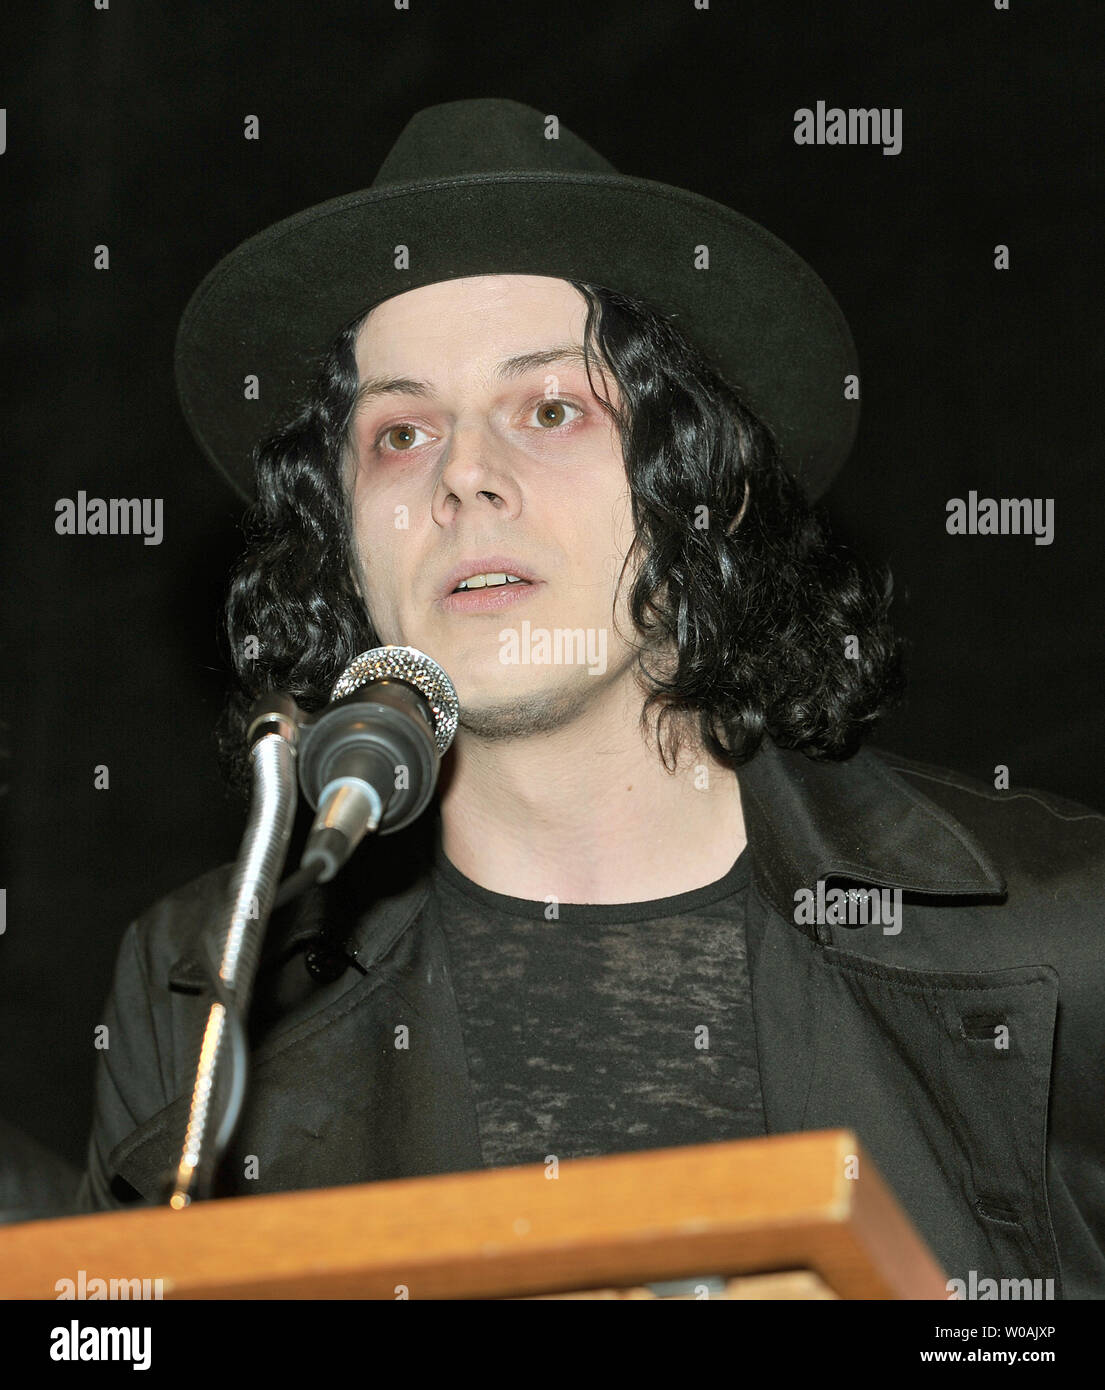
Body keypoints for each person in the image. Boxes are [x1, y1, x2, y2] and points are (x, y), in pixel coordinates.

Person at [76, 99, 1105, 1299]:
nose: (463, 474)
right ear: (341, 536)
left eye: (551, 409)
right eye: (399, 432)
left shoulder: (1060, 933)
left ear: (696, 482)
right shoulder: (204, 994)